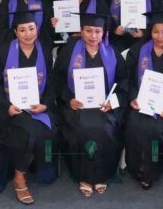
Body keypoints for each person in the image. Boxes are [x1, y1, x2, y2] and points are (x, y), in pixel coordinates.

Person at [52, 12, 127, 197]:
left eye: (98, 31)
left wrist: (113, 102)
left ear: (104, 33)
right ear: (81, 31)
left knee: (105, 127)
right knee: (82, 127)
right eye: (88, 31)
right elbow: (57, 79)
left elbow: (124, 82)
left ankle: (102, 175)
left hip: (104, 106)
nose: (93, 36)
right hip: (77, 106)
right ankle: (84, 176)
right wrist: (69, 99)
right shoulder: (70, 50)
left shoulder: (112, 52)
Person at [0, 10, 57, 205]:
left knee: (44, 131)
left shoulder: (44, 50)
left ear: (37, 29)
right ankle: (19, 176)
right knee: (25, 132)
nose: (28, 34)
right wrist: (6, 107)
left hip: (37, 107)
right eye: (22, 30)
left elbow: (52, 84)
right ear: (15, 32)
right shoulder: (4, 51)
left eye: (31, 29)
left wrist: (45, 104)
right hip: (12, 109)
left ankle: (27, 170)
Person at [123, 10, 163, 189]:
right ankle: (137, 166)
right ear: (150, 32)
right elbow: (126, 78)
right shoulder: (138, 50)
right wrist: (132, 98)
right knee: (136, 125)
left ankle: (150, 171)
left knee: (156, 129)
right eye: (155, 31)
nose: (160, 36)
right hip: (140, 103)